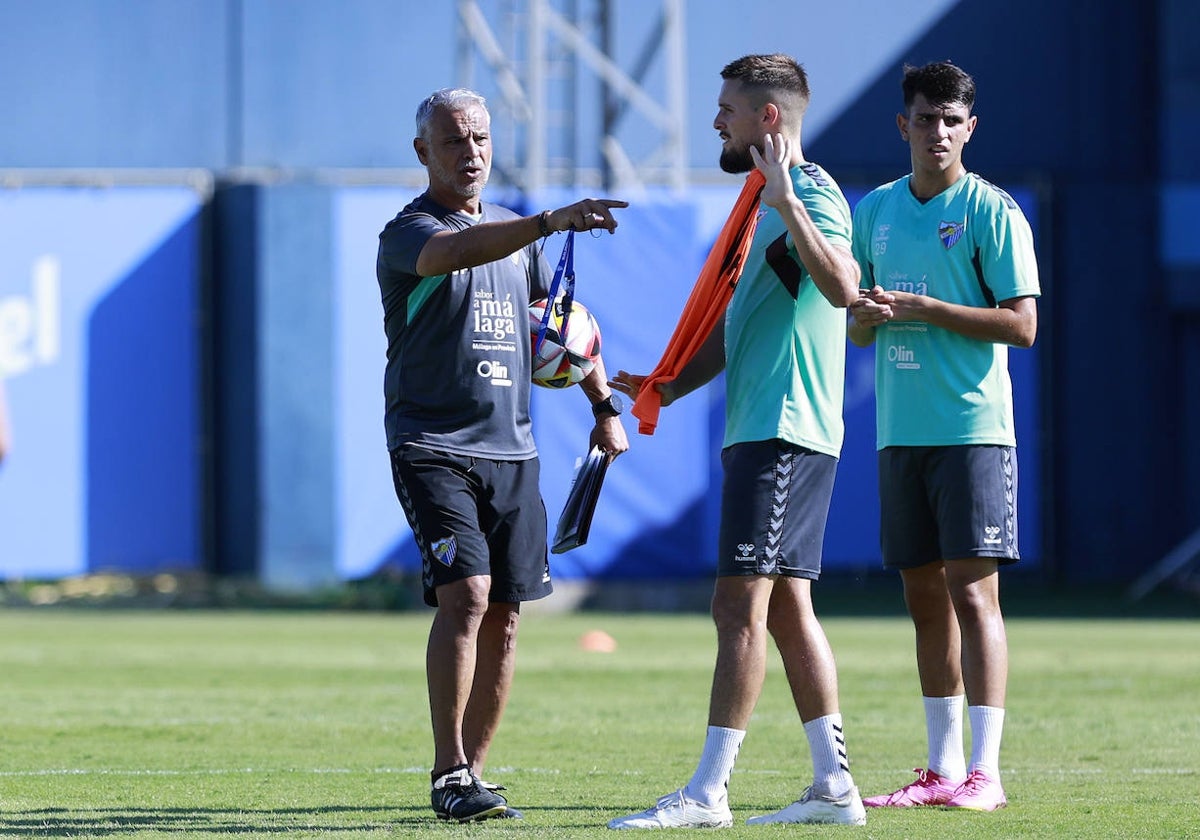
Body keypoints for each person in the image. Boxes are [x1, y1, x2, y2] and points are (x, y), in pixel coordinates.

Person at [607, 54, 866, 829]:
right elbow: (742, 324)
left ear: (769, 120)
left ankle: (708, 793)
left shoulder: (806, 193)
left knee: (736, 606)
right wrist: (668, 384)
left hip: (784, 430)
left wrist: (788, 202)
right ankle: (833, 790)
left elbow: (845, 288)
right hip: (765, 428)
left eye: (727, 108)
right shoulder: (765, 206)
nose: (716, 120)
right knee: (787, 609)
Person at [376, 87, 630, 823]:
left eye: (481, 139)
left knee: (509, 614)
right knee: (468, 597)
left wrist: (603, 406)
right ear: (424, 151)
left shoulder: (519, 247)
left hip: (512, 451)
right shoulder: (409, 232)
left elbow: (567, 329)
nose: (471, 153)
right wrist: (547, 220)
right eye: (454, 140)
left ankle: (474, 777)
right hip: (431, 443)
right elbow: (451, 253)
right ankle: (448, 770)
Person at [848, 61, 1040, 812]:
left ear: (970, 128)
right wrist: (865, 315)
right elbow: (861, 328)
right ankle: (941, 769)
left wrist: (924, 308)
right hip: (902, 433)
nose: (938, 133)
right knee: (923, 599)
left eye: (951, 121)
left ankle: (986, 774)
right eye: (925, 119)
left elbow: (1022, 325)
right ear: (904, 125)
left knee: (973, 596)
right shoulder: (877, 212)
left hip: (972, 431)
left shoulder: (993, 211)